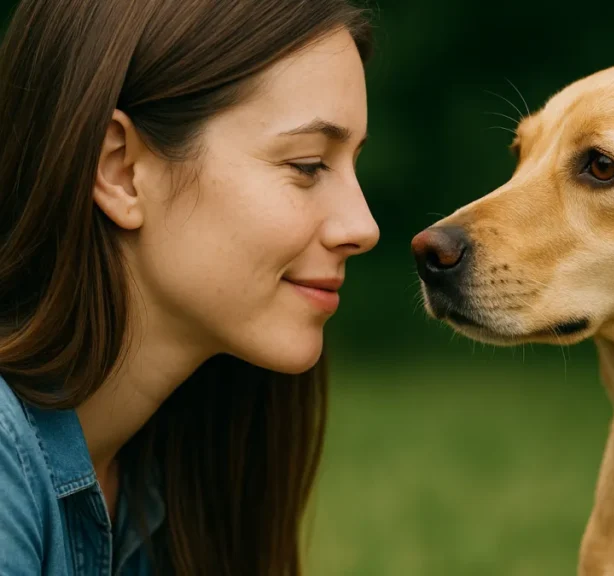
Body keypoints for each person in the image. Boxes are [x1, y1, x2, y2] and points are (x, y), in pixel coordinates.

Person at [0, 0, 379, 574]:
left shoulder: (183, 469)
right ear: (121, 170)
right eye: (307, 165)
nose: (364, 227)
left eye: (353, 164)